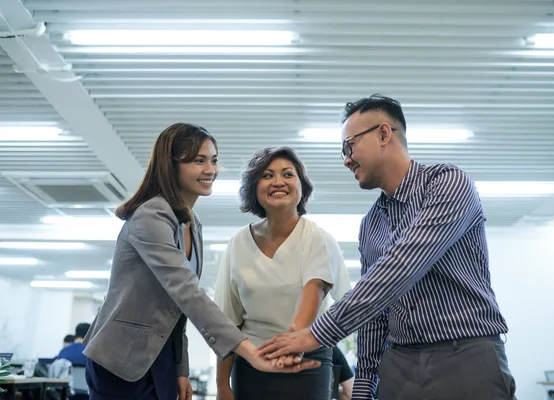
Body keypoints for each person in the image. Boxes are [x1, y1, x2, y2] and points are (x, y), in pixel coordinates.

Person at [259, 95, 517, 400]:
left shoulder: (448, 184)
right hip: (399, 366)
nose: (346, 159)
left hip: (466, 358)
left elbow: (401, 267)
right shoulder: (371, 224)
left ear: (383, 134)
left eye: (349, 146)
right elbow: (375, 315)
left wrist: (317, 333)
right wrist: (364, 386)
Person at [81, 123, 319, 400]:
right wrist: (249, 352)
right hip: (119, 359)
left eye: (214, 160)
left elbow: (177, 309)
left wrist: (180, 369)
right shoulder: (151, 216)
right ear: (171, 165)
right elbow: (187, 292)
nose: (211, 170)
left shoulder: (192, 224)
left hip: (161, 359)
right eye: (199, 160)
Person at [214, 146, 351, 400]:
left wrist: (293, 342)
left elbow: (315, 288)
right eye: (267, 176)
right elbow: (227, 322)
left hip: (306, 364)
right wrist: (222, 385)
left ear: (302, 187)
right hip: (251, 364)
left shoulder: (316, 237)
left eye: (288, 174)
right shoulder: (238, 243)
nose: (278, 181)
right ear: (254, 188)